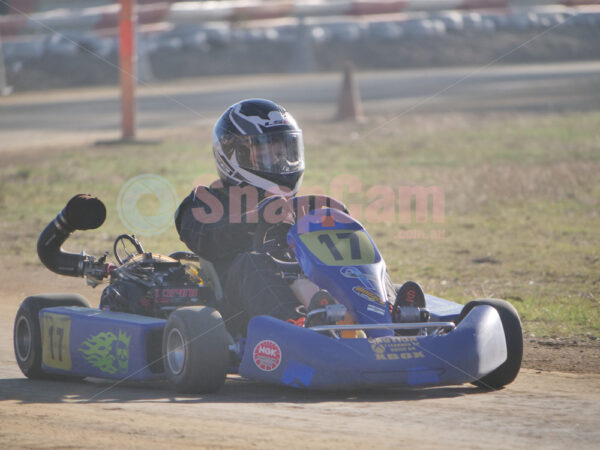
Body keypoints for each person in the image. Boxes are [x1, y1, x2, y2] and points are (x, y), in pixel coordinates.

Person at [175, 99, 312, 336]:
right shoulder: (204, 202)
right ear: (233, 155)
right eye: (264, 151)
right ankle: (296, 330)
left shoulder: (294, 206)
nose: (277, 160)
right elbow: (208, 239)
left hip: (303, 287)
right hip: (235, 309)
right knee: (251, 261)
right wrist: (257, 218)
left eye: (281, 151)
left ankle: (386, 314)